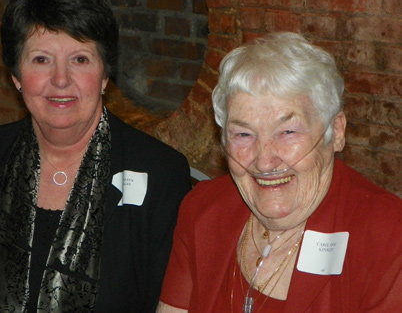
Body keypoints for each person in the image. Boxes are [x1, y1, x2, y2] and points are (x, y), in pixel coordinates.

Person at [0, 0, 192, 312]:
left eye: (79, 59)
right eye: (41, 60)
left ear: (105, 73)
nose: (61, 79)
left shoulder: (161, 175)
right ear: (16, 76)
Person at [157, 32, 402, 313]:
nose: (264, 161)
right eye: (244, 134)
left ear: (335, 132)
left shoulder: (388, 235)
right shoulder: (203, 210)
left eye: (287, 131)